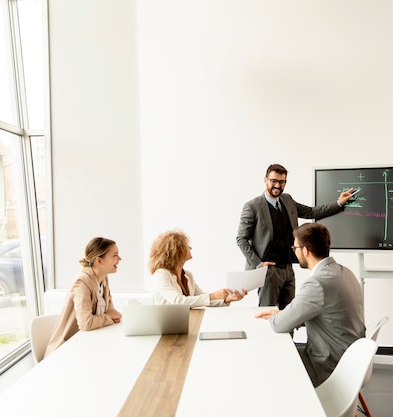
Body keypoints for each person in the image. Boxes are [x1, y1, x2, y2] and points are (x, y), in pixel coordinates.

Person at [255, 223, 365, 387]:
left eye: (295, 247)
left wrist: (283, 317)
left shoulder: (317, 283)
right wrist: (291, 316)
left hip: (329, 366)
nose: (294, 251)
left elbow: (278, 325)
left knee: (270, 363)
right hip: (352, 361)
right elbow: (332, 313)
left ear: (305, 250)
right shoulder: (344, 272)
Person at [236, 163, 354, 309]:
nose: (277, 185)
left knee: (289, 316)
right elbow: (241, 239)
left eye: (281, 182)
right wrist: (259, 264)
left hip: (288, 268)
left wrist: (338, 203)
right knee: (267, 315)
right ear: (265, 180)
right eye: (274, 181)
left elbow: (312, 212)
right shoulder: (252, 206)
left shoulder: (287, 200)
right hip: (268, 272)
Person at [44, 237, 123, 357]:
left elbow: (109, 304)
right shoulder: (82, 282)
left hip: (86, 344)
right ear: (99, 261)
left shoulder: (103, 276)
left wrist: (112, 311)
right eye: (115, 255)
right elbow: (86, 323)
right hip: (65, 351)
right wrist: (108, 317)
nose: (119, 259)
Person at [150, 230, 247, 307]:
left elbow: (201, 299)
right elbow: (178, 301)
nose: (190, 248)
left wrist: (226, 299)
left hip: (186, 321)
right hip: (167, 325)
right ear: (177, 251)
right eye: (186, 246)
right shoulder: (161, 274)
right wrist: (213, 296)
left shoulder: (187, 275)